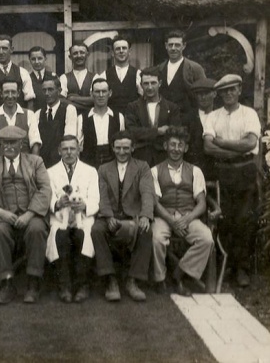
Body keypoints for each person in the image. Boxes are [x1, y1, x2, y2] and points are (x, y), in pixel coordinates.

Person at [0, 126, 51, 305]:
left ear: (21, 144)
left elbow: (45, 190)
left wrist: (29, 214)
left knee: (36, 229)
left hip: (30, 214)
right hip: (2, 216)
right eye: (5, 143)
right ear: (0, 145)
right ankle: (7, 283)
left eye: (13, 143)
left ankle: (33, 283)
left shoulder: (36, 162)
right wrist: (0, 212)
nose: (8, 147)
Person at [203, 74, 261, 287]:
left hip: (245, 171)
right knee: (224, 219)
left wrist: (221, 143)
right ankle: (225, 266)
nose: (228, 93)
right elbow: (208, 147)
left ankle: (241, 268)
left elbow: (250, 144)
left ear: (239, 90)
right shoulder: (213, 116)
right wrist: (235, 148)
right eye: (224, 91)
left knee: (244, 219)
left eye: (232, 89)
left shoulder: (249, 114)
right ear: (219, 94)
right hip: (223, 173)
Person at [92, 130, 154, 302]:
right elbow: (102, 196)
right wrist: (108, 216)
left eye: (126, 148)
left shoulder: (142, 167)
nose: (122, 152)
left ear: (133, 148)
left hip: (132, 216)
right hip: (110, 215)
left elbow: (147, 193)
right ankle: (110, 279)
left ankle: (133, 280)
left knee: (146, 231)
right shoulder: (103, 169)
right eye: (118, 148)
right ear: (112, 148)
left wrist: (145, 216)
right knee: (97, 230)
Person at [152, 126, 213, 296]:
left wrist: (188, 218)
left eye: (180, 145)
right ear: (165, 146)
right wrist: (172, 221)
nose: (176, 149)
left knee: (206, 239)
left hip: (188, 216)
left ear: (186, 148)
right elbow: (155, 203)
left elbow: (201, 203)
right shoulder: (154, 171)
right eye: (172, 144)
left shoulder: (195, 171)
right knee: (156, 238)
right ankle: (160, 279)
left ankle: (180, 274)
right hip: (164, 216)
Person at [46, 135, 99, 303]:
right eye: (65, 149)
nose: (69, 152)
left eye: (72, 148)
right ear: (59, 151)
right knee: (60, 237)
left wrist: (84, 205)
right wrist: (56, 203)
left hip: (82, 217)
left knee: (82, 236)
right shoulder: (50, 172)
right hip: (60, 217)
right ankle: (65, 286)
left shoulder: (90, 171)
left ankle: (82, 285)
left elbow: (95, 199)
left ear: (79, 149)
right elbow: (47, 197)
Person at [125, 67, 181, 167]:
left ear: (160, 83)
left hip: (164, 157)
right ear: (141, 85)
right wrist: (157, 131)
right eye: (146, 83)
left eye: (153, 83)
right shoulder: (133, 107)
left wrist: (144, 133)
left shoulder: (172, 107)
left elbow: (174, 133)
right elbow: (132, 132)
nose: (150, 87)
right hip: (140, 158)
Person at [0, 80, 42, 162]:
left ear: (18, 93)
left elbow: (35, 144)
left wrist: (32, 166)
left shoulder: (29, 115)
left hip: (24, 166)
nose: (10, 96)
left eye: (13, 92)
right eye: (6, 92)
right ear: (1, 94)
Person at [0, 34, 35, 112]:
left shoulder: (23, 73)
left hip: (18, 118)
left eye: (4, 48)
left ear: (11, 49)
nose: (1, 52)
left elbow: (29, 100)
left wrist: (28, 118)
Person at [156, 30, 206, 117]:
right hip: (164, 118)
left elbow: (204, 94)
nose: (173, 48)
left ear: (184, 46)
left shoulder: (195, 68)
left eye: (177, 45)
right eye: (170, 45)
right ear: (166, 46)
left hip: (188, 118)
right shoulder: (159, 69)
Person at [77, 78, 125, 168]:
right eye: (97, 92)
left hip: (113, 162)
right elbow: (78, 146)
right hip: (89, 163)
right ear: (91, 94)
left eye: (104, 91)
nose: (101, 95)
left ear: (110, 93)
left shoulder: (119, 117)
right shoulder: (81, 118)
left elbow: (122, 143)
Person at [34, 79, 77, 168]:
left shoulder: (69, 110)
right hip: (43, 163)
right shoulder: (38, 114)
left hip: (62, 162)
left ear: (59, 91)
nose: (47, 93)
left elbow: (69, 137)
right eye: (44, 90)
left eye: (50, 89)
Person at [94, 35, 141, 116]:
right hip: (112, 118)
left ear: (129, 51)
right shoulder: (104, 75)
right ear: (112, 53)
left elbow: (143, 99)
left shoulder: (138, 74)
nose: (121, 51)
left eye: (124, 48)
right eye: (118, 49)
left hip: (133, 118)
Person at [185, 78, 217, 181]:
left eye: (206, 93)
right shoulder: (188, 118)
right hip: (194, 169)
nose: (203, 97)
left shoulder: (221, 115)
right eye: (199, 94)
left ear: (214, 94)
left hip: (218, 169)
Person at [59, 42, 95, 112]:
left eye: (82, 53)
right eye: (75, 53)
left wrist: (72, 98)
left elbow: (96, 99)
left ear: (87, 55)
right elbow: (61, 101)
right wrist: (87, 104)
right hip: (70, 116)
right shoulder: (64, 77)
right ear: (70, 57)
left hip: (89, 116)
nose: (79, 56)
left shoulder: (95, 77)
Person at [28, 46, 58, 111]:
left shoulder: (53, 76)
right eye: (33, 59)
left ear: (45, 59)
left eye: (40, 58)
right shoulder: (27, 78)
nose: (37, 62)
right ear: (29, 60)